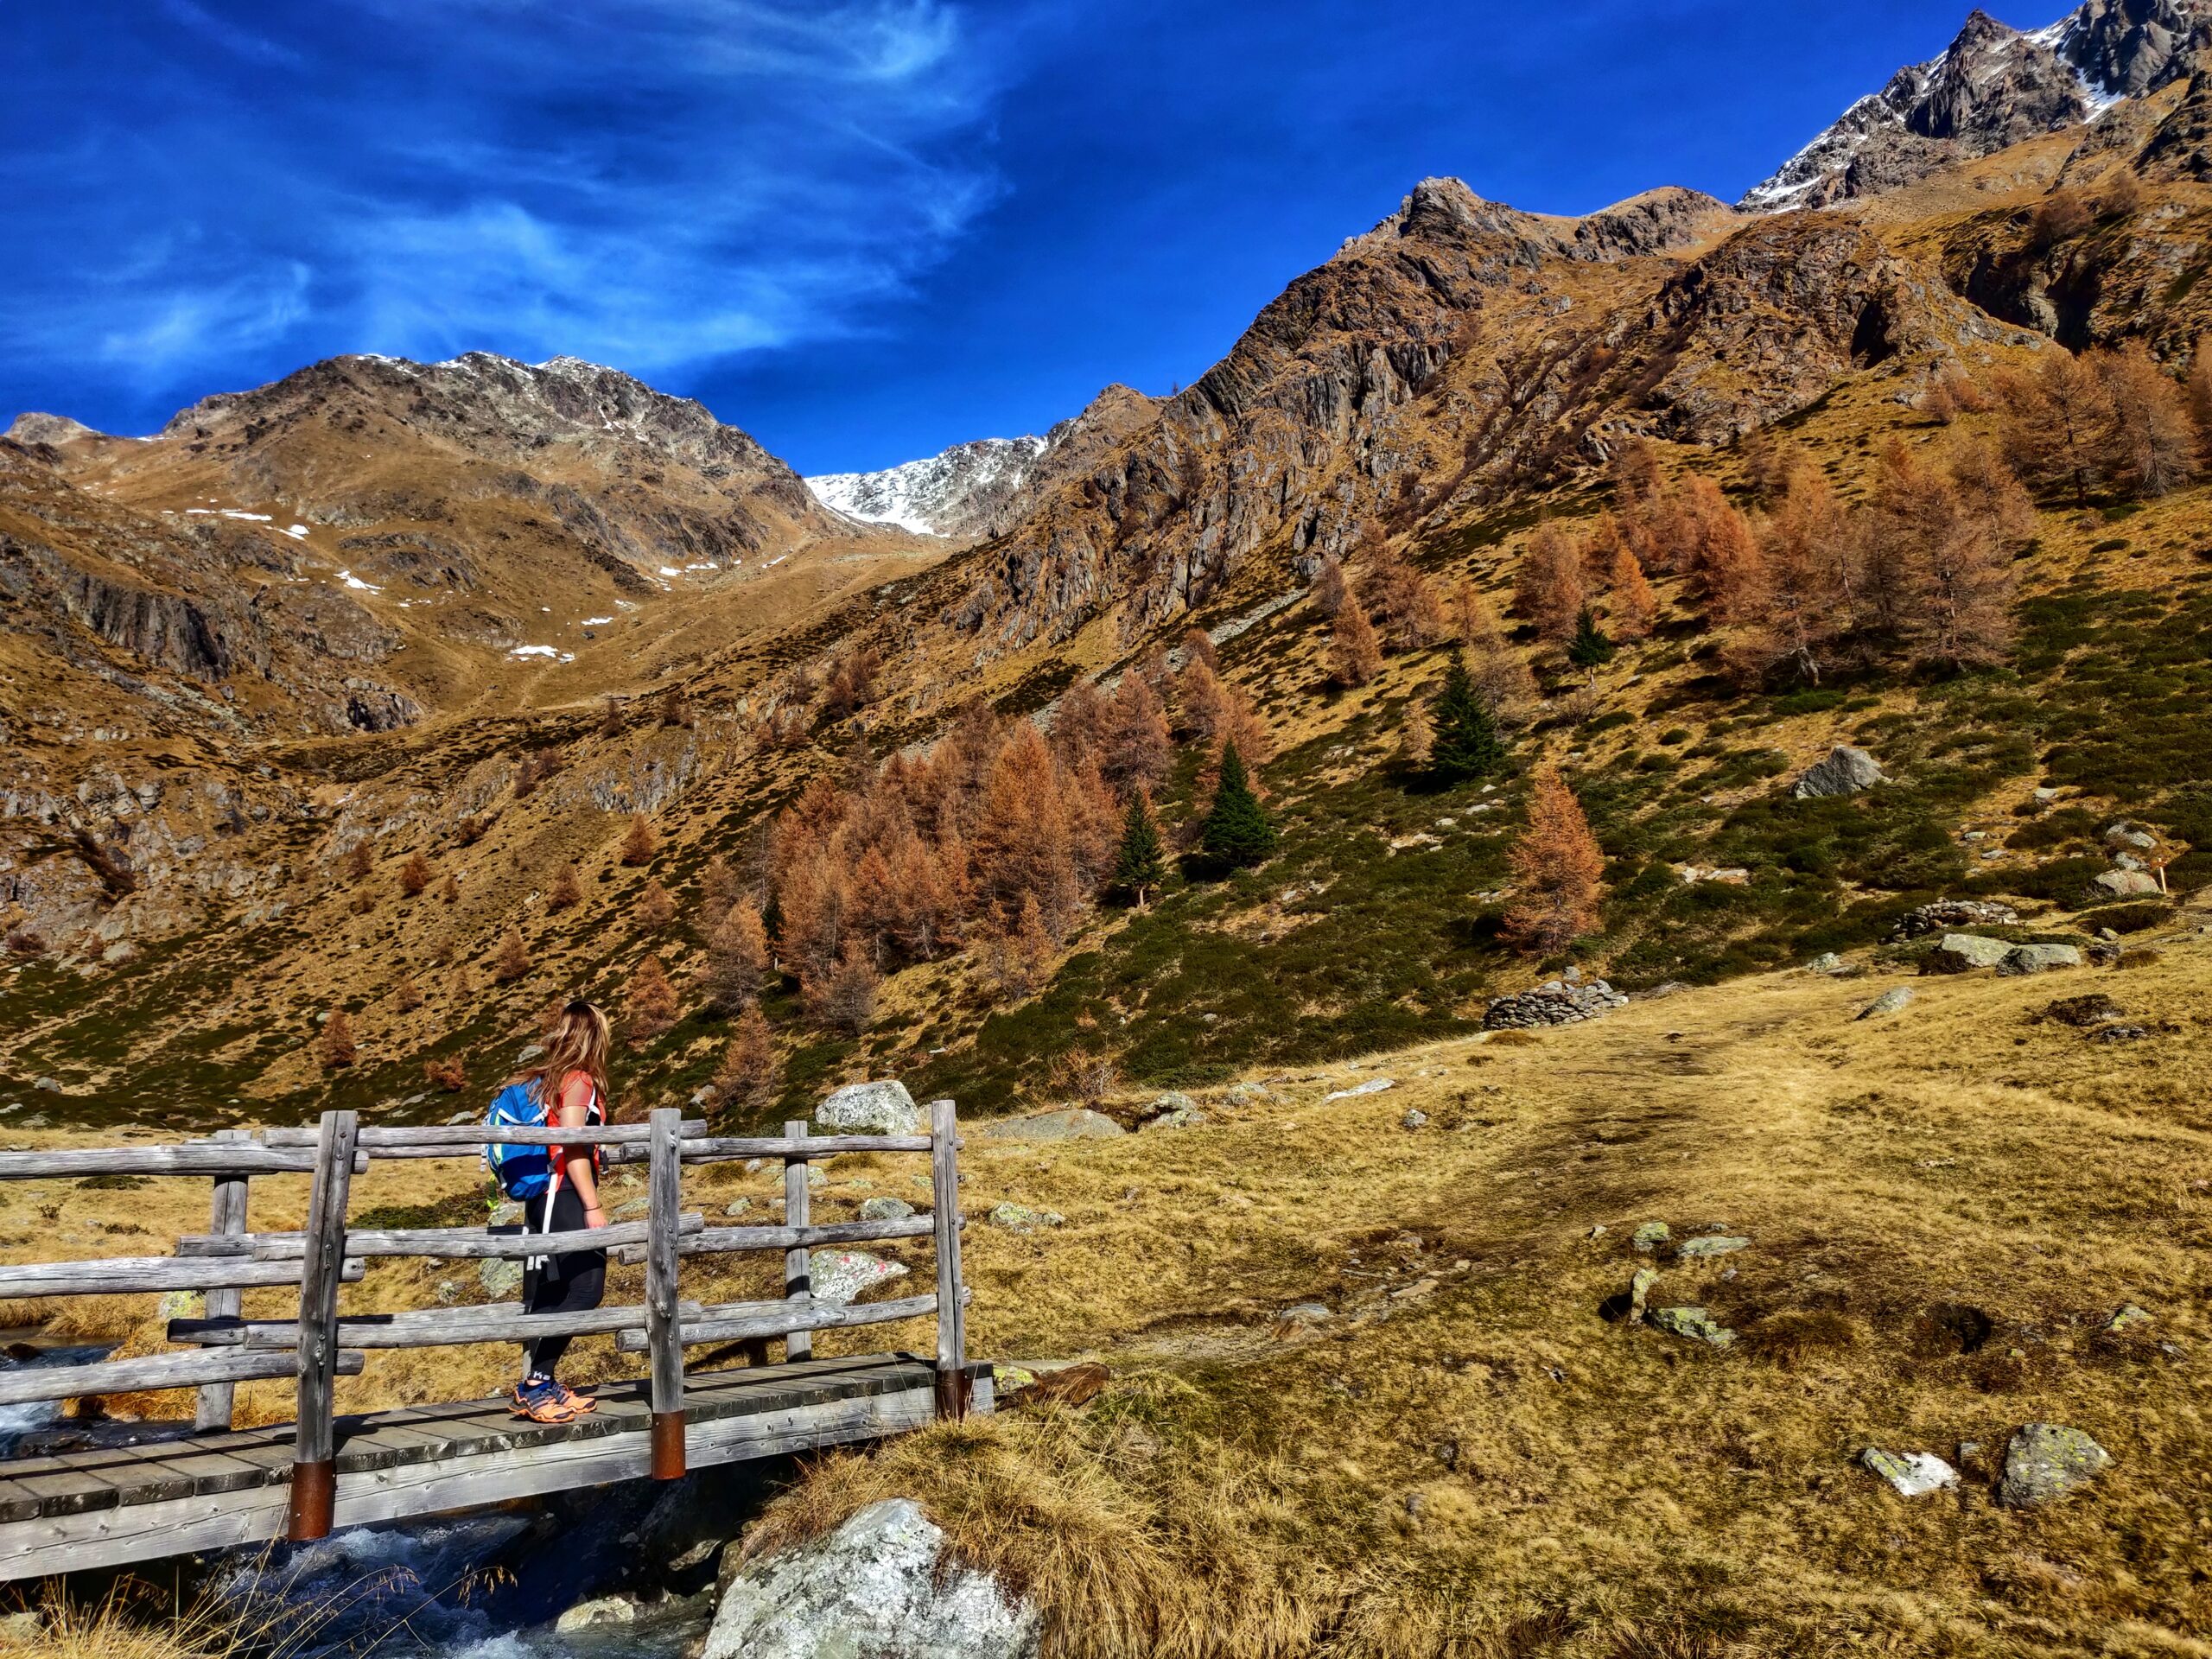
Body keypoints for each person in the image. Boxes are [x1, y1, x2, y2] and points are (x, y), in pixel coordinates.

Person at [510, 1000, 612, 1423]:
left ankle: (544, 1381)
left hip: (550, 1197)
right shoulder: (578, 1080)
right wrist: (593, 1205)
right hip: (564, 1193)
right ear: (594, 1035)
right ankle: (535, 1383)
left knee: (555, 1290)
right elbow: (571, 1145)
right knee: (586, 1289)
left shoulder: (552, 1078)